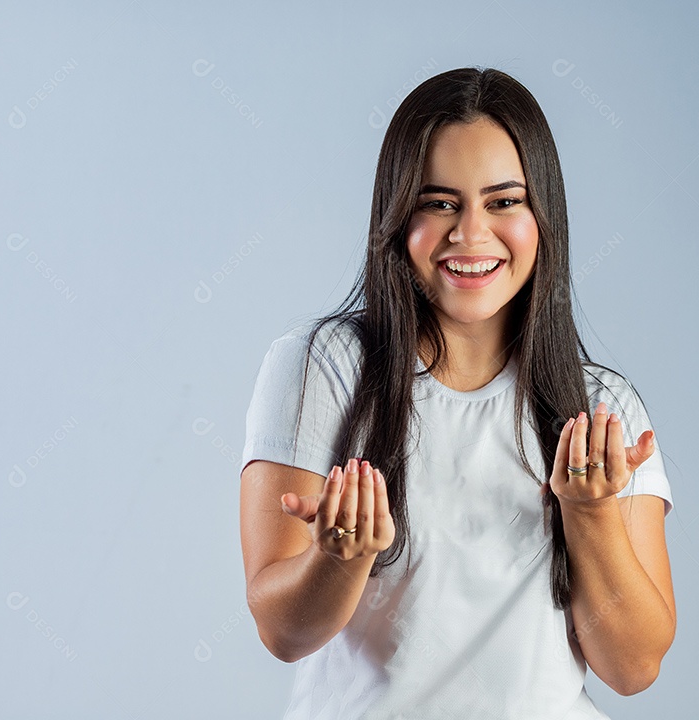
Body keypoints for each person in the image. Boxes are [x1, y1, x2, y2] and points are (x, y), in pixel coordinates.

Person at [239, 66, 676, 719]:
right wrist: (337, 559)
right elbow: (285, 633)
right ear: (396, 214)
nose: (470, 234)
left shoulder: (600, 407)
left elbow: (633, 666)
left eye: (504, 201)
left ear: (543, 216)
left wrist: (589, 516)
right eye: (440, 202)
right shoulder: (322, 368)